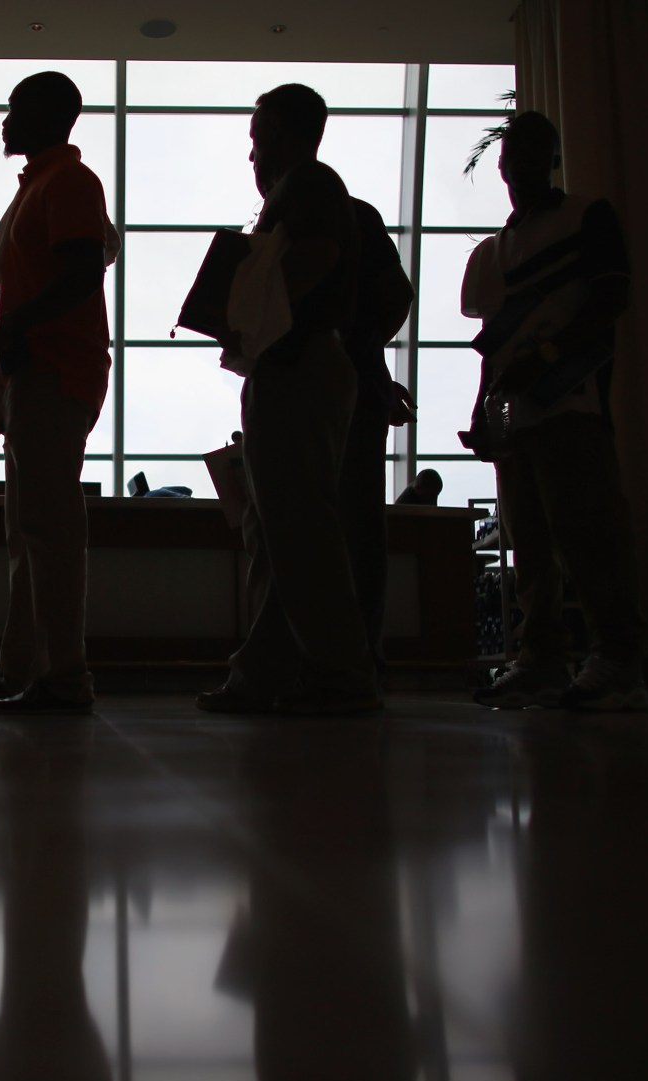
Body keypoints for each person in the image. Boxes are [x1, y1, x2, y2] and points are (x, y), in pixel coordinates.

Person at [197, 83, 378, 715]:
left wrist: (252, 317)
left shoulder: (308, 187)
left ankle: (338, 675)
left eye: (257, 136)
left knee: (297, 528)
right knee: (278, 530)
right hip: (294, 364)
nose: (251, 152)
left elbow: (316, 258)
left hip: (296, 365)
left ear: (282, 136)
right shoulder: (306, 190)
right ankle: (271, 671)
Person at [461, 111, 644, 711]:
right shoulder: (496, 250)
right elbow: (493, 339)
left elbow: (609, 299)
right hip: (514, 409)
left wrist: (549, 356)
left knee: (588, 532)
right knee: (528, 538)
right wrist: (484, 407)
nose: (521, 163)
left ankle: (616, 656)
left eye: (535, 151)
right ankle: (541, 657)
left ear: (552, 158)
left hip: (571, 398)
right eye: (515, 152)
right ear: (504, 163)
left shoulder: (586, 217)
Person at [0, 71, 120, 716]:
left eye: (15, 108)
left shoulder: (69, 184)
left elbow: (80, 275)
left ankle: (62, 675)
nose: (5, 119)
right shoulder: (45, 186)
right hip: (40, 369)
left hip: (55, 369)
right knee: (29, 529)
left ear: (48, 117)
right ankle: (24, 667)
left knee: (48, 528)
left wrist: (8, 330)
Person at [340, 196, 416, 687]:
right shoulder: (356, 216)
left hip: (349, 386)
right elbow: (397, 295)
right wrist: (366, 352)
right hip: (360, 383)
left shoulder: (283, 223)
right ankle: (361, 655)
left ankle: (347, 655)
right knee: (360, 524)